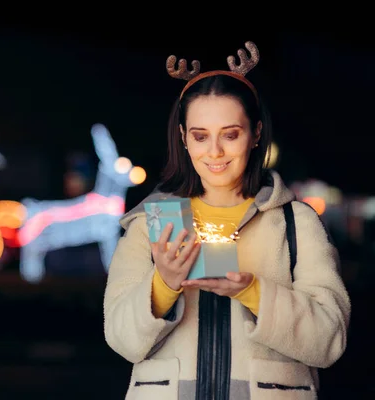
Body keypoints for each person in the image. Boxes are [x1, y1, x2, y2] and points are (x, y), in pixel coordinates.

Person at [103, 41, 351, 399]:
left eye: (230, 134)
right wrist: (164, 285)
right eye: (200, 136)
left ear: (256, 134)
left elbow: (330, 340)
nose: (214, 152)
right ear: (183, 139)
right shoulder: (153, 220)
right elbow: (121, 339)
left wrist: (254, 292)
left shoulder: (294, 222)